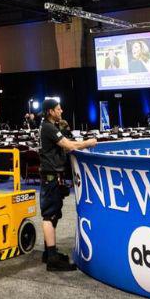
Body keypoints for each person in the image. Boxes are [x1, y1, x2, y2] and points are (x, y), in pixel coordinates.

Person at [38, 97, 97, 272]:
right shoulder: (48, 127)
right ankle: (52, 259)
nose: (61, 111)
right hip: (50, 177)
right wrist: (88, 143)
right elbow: (68, 145)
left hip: (52, 176)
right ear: (50, 111)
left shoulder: (50, 126)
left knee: (54, 213)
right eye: (58, 109)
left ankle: (50, 252)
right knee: (50, 215)